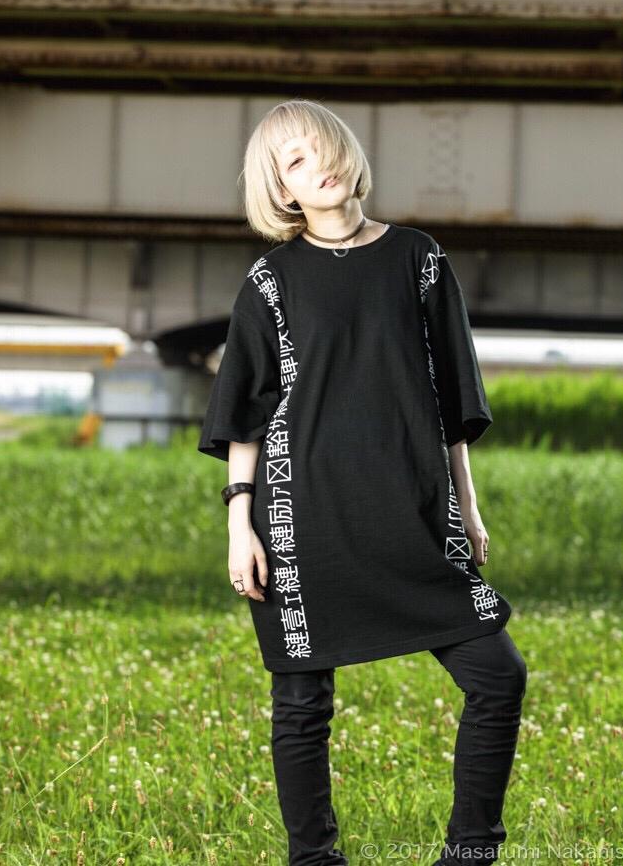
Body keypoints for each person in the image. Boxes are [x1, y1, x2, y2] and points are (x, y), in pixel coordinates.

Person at [198, 99, 527, 865]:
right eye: (295, 161)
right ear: (281, 189)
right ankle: (314, 860)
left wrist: (467, 507)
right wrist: (239, 523)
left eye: (324, 146)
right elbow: (245, 411)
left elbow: (451, 399)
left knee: (497, 675)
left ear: (348, 152)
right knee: (301, 701)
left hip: (411, 511)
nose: (319, 164)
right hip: (300, 520)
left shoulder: (419, 258)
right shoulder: (271, 281)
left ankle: (471, 851)